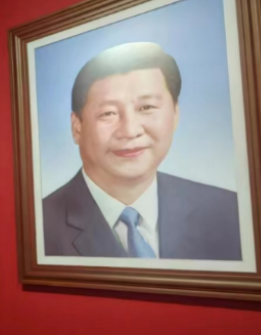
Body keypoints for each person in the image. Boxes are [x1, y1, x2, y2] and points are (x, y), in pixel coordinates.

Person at [42, 42, 242, 260]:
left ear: (175, 114)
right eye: (108, 113)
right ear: (77, 127)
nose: (130, 131)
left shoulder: (229, 211)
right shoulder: (40, 226)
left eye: (146, 108)